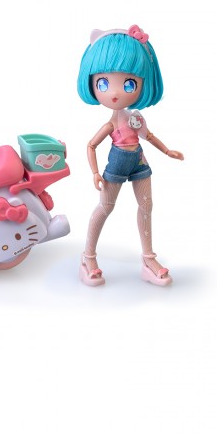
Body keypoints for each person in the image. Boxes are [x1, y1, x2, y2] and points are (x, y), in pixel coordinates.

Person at [77, 25, 184, 286]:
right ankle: (88, 257)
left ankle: (148, 258)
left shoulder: (136, 119)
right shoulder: (111, 124)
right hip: (116, 164)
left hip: (138, 161)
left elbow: (149, 135)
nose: (115, 93)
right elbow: (91, 145)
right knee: (105, 207)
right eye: (103, 83)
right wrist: (95, 172)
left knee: (146, 206)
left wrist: (167, 150)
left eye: (128, 83)